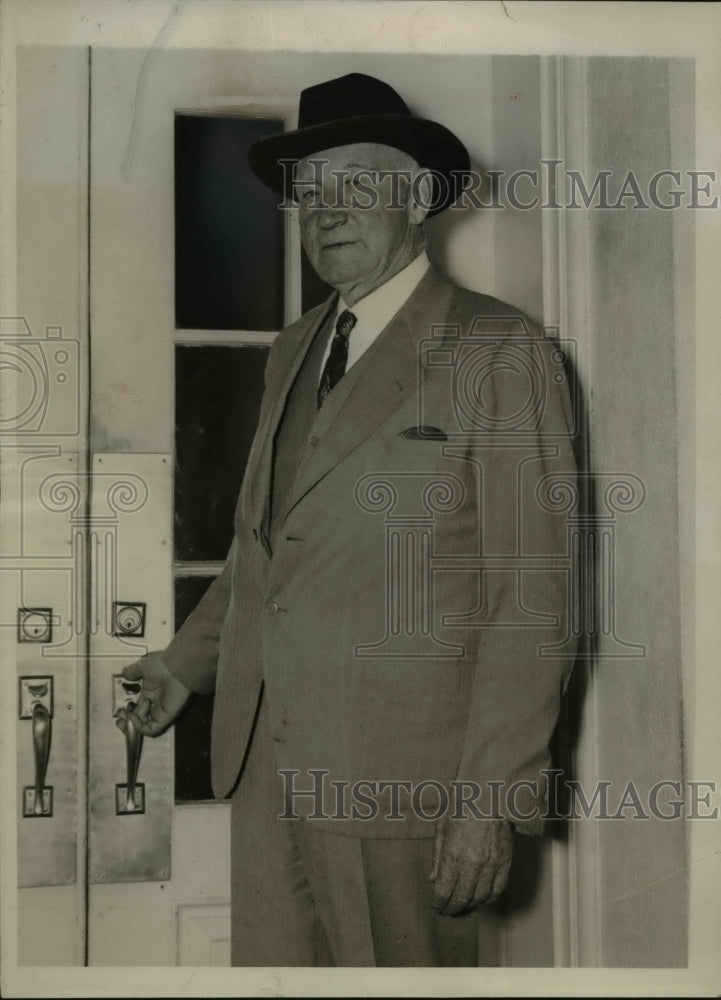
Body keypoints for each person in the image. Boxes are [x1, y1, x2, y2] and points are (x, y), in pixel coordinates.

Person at [118, 72, 577, 967]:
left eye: (356, 185)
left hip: (406, 790)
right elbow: (267, 550)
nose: (325, 212)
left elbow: (534, 598)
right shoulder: (294, 348)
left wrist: (488, 799)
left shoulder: (499, 349)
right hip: (269, 773)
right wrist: (184, 665)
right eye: (309, 194)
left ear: (414, 198)